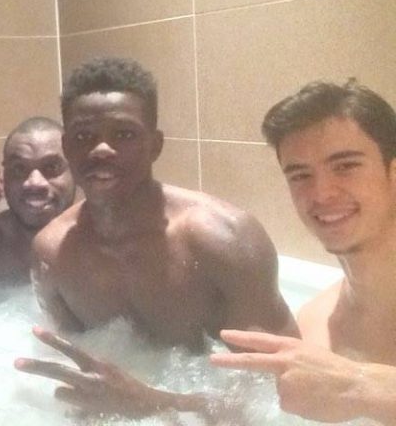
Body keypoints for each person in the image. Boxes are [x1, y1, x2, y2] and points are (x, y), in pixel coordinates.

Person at [15, 57, 298, 420]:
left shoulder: (226, 240)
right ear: (67, 147)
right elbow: (74, 364)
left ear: (155, 145)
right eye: (84, 137)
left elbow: (282, 389)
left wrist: (158, 405)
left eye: (124, 134)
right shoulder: (52, 253)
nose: (101, 149)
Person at [210, 80, 396, 424]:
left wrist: (358, 386)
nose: (321, 193)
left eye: (345, 166)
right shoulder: (313, 323)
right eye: (300, 176)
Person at [0, 116, 76, 285]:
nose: (34, 183)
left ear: (75, 171)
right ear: (4, 178)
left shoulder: (106, 247)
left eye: (52, 167)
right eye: (19, 168)